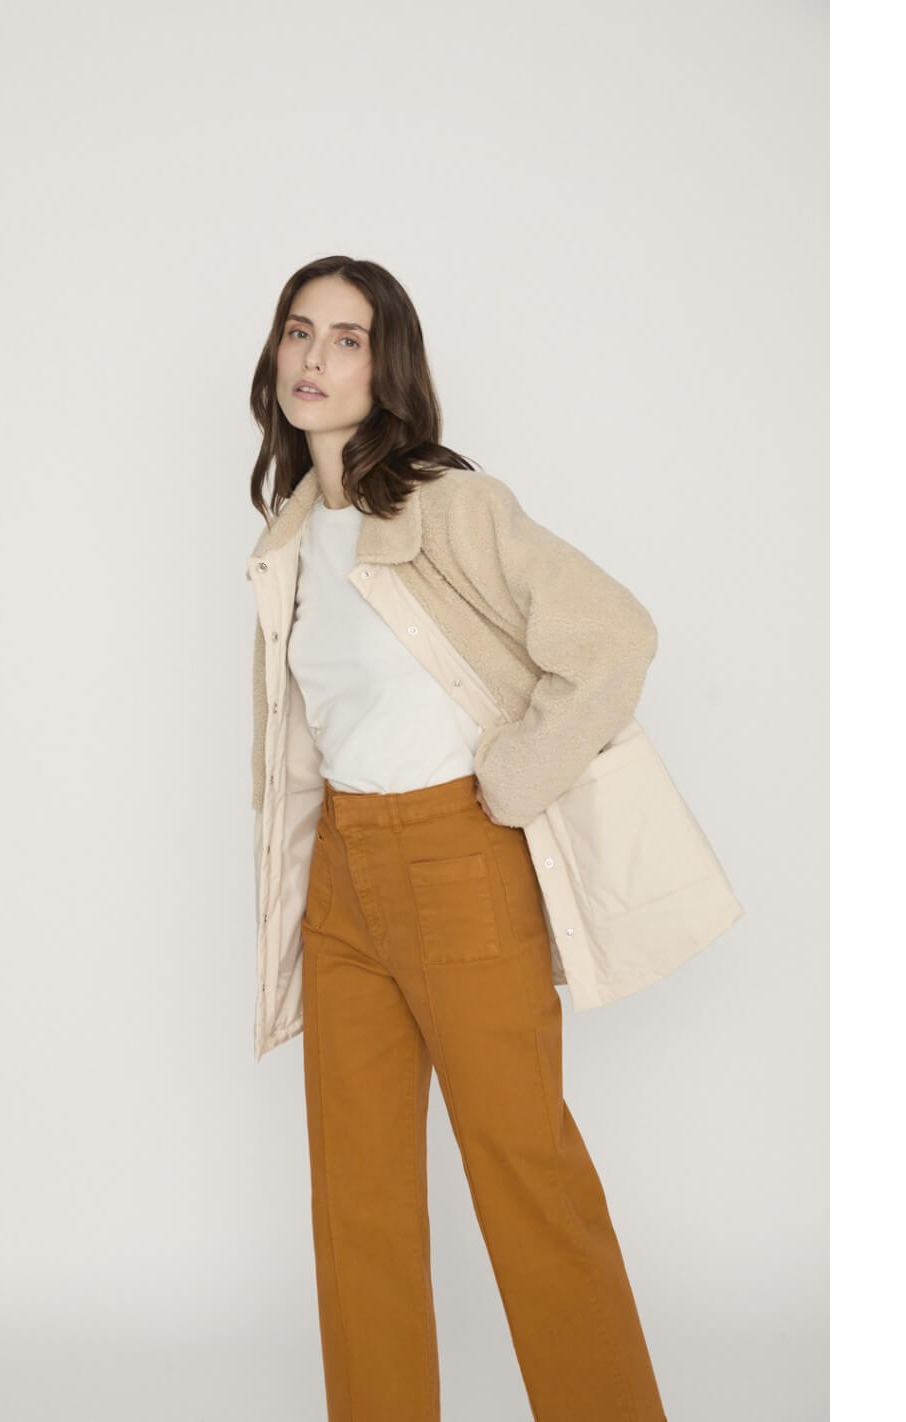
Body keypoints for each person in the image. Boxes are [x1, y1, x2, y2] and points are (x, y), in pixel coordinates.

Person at [246, 255, 672, 1421]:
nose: (313, 358)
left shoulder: (447, 504)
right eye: (297, 332)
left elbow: (612, 635)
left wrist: (515, 780)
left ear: (386, 367)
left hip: (459, 857)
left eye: (345, 338)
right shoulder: (289, 534)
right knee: (357, 1202)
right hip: (343, 883)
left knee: (526, 1180)